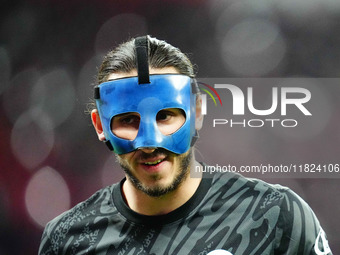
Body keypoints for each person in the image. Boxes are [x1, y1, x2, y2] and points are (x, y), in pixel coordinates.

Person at [39, 35, 332, 255]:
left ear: (198, 113)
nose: (150, 142)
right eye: (128, 120)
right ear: (100, 126)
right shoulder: (67, 239)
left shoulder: (275, 214)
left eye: (165, 116)